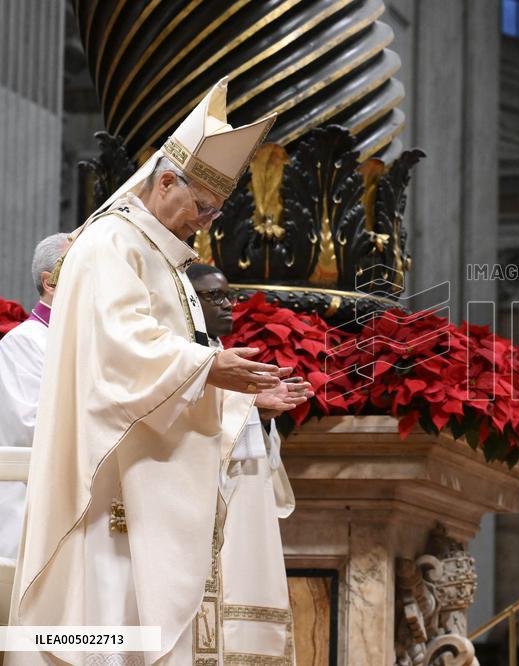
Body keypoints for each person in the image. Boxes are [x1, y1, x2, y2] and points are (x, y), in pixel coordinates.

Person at [6, 78, 298, 664]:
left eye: (216, 212)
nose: (206, 223)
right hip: (111, 485)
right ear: (166, 182)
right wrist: (210, 368)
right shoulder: (111, 244)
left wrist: (238, 397)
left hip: (144, 484)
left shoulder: (159, 255)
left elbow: (165, 357)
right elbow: (120, 347)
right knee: (108, 629)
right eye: (203, 207)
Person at [188, 262, 306, 663]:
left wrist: (263, 415)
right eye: (214, 296)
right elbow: (188, 428)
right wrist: (252, 404)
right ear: (188, 302)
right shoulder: (185, 360)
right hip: (207, 511)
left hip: (244, 506)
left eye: (229, 296)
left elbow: (246, 444)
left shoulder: (223, 356)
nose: (227, 305)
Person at [0, 232, 69, 560]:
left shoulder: (83, 340)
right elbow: (30, 425)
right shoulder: (23, 343)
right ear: (50, 282)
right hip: (32, 504)